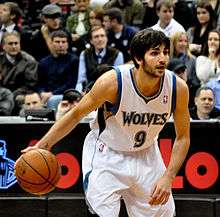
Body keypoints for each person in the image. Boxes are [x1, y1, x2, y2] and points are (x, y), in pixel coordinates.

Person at [20, 29, 190, 217]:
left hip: (147, 154)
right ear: (138, 58)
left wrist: (168, 177)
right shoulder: (113, 83)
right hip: (107, 153)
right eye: (155, 53)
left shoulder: (178, 88)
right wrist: (43, 145)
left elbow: (182, 138)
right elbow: (75, 114)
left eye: (166, 52)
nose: (163, 59)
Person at [37, 30, 79, 110]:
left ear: (67, 44)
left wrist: (52, 94)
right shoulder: (43, 62)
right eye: (57, 42)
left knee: (53, 100)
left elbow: (71, 83)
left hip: (65, 94)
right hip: (45, 95)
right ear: (51, 43)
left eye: (63, 42)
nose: (61, 45)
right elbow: (39, 83)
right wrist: (42, 92)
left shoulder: (74, 60)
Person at [76, 26, 124, 92]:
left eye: (102, 36)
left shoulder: (117, 54)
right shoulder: (84, 54)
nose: (100, 39)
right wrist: (78, 94)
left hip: (109, 92)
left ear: (106, 38)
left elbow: (118, 80)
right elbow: (81, 80)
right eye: (96, 37)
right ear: (91, 41)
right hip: (89, 91)